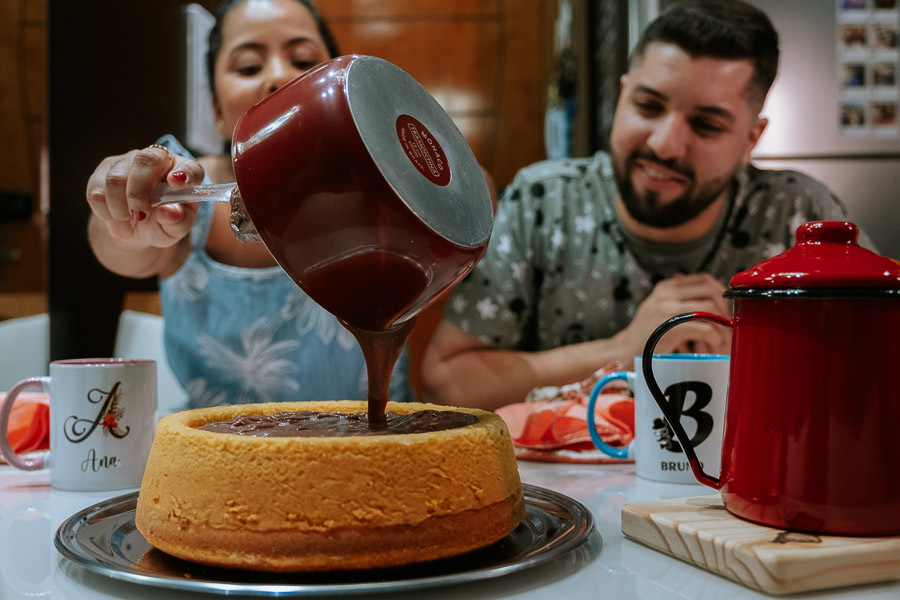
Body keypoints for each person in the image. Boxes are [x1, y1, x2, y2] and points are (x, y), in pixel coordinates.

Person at [421, 0, 876, 411]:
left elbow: (876, 379)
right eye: (648, 105)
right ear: (622, 96)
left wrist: (757, 356)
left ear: (750, 140)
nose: (665, 144)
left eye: (705, 124)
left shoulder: (801, 214)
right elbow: (446, 384)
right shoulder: (544, 201)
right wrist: (626, 348)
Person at [86, 0, 411, 409]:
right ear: (218, 111)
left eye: (303, 59)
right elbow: (116, 247)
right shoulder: (184, 189)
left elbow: (475, 199)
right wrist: (124, 213)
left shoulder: (381, 187)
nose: (278, 76)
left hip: (379, 451)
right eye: (249, 67)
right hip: (222, 454)